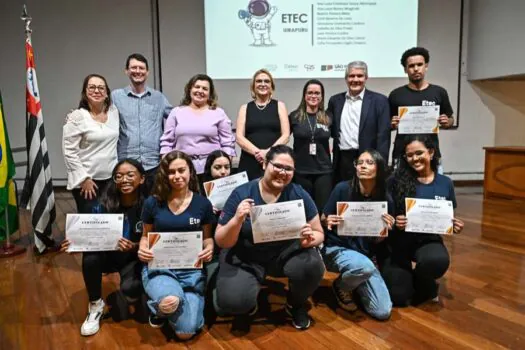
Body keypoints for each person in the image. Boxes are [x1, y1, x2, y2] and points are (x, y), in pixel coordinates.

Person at [214, 145, 325, 330]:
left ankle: (294, 304)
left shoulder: (298, 193)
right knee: (231, 302)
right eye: (278, 166)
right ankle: (248, 305)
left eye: (288, 169)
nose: (283, 172)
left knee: (313, 266)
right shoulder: (241, 193)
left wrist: (310, 238)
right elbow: (221, 240)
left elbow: (319, 233)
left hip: (284, 255)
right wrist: (237, 220)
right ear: (265, 164)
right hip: (246, 256)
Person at [59, 159, 147, 336]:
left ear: (142, 178)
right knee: (90, 258)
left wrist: (134, 246)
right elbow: (88, 233)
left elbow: (153, 241)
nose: (124, 180)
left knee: (131, 292)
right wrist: (75, 242)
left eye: (130, 175)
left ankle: (140, 293)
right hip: (107, 256)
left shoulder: (149, 205)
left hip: (132, 257)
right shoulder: (104, 203)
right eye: (119, 176)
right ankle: (95, 304)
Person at [137, 151, 214, 340]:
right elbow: (145, 236)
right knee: (170, 301)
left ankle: (172, 303)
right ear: (165, 175)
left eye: (182, 170)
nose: (177, 176)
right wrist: (142, 248)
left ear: (190, 172)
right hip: (161, 267)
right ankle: (162, 305)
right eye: (172, 172)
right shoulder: (153, 202)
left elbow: (207, 238)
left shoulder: (203, 203)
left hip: (191, 271)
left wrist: (209, 247)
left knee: (185, 333)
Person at [381, 134, 464, 307]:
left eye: (419, 153)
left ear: (431, 152)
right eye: (409, 155)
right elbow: (383, 216)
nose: (414, 158)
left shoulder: (445, 183)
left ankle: (422, 279)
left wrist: (454, 225)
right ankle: (405, 277)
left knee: (436, 261)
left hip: (427, 241)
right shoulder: (394, 181)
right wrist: (395, 222)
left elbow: (448, 215)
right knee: (398, 297)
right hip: (399, 242)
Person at [321, 149, 394, 320]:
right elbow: (323, 218)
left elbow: (378, 241)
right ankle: (341, 286)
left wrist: (384, 233)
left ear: (379, 168)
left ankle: (355, 282)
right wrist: (327, 221)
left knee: (382, 311)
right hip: (337, 249)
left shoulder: (385, 199)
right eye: (359, 163)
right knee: (364, 267)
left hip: (366, 256)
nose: (363, 166)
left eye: (369, 163)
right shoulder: (342, 189)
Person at [111, 53, 173, 193]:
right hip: (126, 164)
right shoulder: (115, 97)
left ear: (147, 72)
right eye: (134, 67)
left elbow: (177, 117)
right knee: (128, 207)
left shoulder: (158, 97)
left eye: (141, 68)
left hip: (153, 165)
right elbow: (99, 114)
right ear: (126, 71)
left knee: (152, 207)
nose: (138, 71)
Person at [159, 74, 236, 185]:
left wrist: (223, 167)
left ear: (210, 93)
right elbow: (167, 142)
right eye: (197, 87)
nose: (200, 91)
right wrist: (168, 165)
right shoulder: (176, 112)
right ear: (190, 89)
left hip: (212, 172)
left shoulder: (218, 113)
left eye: (205, 89)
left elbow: (228, 143)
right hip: (182, 170)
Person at [389, 47, 454, 172]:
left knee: (432, 189)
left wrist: (447, 122)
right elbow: (387, 123)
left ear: (426, 66)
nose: (416, 69)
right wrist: (392, 124)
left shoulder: (439, 92)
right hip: (402, 154)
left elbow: (450, 119)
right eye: (411, 65)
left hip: (431, 153)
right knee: (400, 190)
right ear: (405, 69)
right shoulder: (396, 95)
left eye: (420, 64)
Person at [63, 74, 119, 213]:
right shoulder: (77, 117)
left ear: (106, 93)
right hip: (87, 182)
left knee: (110, 222)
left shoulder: (113, 112)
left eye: (101, 88)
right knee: (91, 226)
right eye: (92, 87)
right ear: (85, 92)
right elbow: (69, 151)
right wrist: (84, 179)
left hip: (110, 180)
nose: (96, 91)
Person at [327, 61, 391, 183]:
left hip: (368, 159)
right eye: (351, 76)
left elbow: (383, 136)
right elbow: (329, 128)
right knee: (344, 196)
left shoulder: (380, 101)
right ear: (346, 78)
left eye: (360, 76)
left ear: (366, 78)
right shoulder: (335, 101)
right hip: (342, 160)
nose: (355, 79)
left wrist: (380, 164)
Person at [236, 69, 290, 180]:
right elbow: (239, 137)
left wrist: (268, 153)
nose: (263, 84)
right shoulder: (244, 108)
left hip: (274, 161)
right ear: (253, 86)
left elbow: (286, 135)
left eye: (266, 81)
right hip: (249, 160)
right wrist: (259, 153)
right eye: (259, 81)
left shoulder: (280, 106)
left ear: (271, 86)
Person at [289, 79, 333, 212]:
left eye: (317, 93)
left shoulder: (329, 117)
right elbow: (283, 137)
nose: (313, 96)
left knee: (322, 210)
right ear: (304, 95)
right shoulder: (294, 116)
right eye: (310, 93)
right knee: (303, 211)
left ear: (321, 96)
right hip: (301, 171)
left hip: (323, 171)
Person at [201, 150, 232, 318]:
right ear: (209, 169)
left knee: (226, 305)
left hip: (232, 250)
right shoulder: (199, 194)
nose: (223, 172)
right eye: (218, 167)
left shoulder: (240, 189)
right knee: (215, 306)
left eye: (227, 167)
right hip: (211, 252)